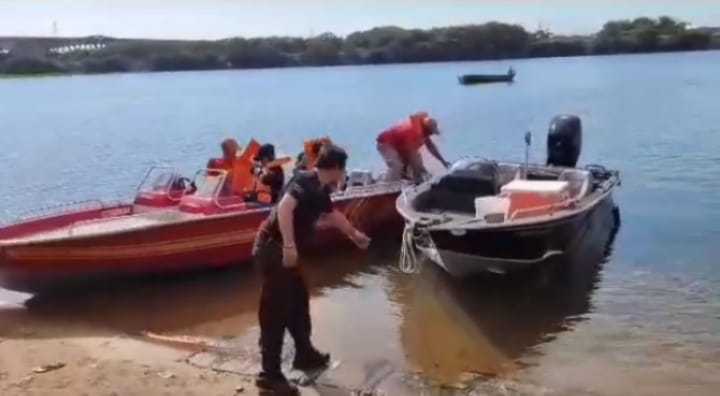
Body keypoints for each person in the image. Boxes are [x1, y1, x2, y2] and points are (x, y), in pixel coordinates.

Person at [252, 143, 371, 395]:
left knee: (298, 302)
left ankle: (304, 354)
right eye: (343, 169)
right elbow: (284, 209)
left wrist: (354, 235)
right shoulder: (305, 181)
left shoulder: (319, 188)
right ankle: (269, 375)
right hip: (274, 249)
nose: (343, 174)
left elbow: (333, 215)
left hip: (284, 251)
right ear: (336, 167)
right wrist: (289, 246)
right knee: (276, 312)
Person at [376, 112, 450, 182]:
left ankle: (394, 179)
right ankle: (388, 186)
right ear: (426, 129)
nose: (430, 134)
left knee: (411, 168)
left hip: (398, 145)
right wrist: (420, 171)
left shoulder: (422, 130)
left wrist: (443, 161)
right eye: (430, 132)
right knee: (397, 166)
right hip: (385, 143)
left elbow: (431, 147)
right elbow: (412, 155)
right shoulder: (412, 131)